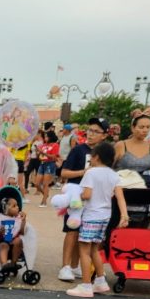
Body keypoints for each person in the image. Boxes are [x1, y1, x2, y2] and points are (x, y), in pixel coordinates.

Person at [66, 142, 128, 298]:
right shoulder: (114, 175)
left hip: (91, 216)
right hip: (104, 217)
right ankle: (100, 281)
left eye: (91, 157)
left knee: (84, 250)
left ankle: (86, 285)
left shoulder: (91, 173)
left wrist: (73, 197)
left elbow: (87, 195)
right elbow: (120, 197)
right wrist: (124, 215)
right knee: (94, 249)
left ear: (96, 157)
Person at [57, 117, 108, 282]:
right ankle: (65, 267)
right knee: (72, 230)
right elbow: (64, 173)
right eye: (90, 130)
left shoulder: (105, 154)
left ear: (104, 135)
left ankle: (75, 265)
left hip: (95, 199)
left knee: (85, 233)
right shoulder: (78, 150)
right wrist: (84, 172)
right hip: (76, 197)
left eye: (96, 131)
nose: (91, 134)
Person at [0, 195, 28, 270]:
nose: (18, 207)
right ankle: (4, 264)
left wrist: (23, 220)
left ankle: (13, 263)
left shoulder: (17, 219)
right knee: (4, 245)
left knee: (19, 241)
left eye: (17, 205)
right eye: (14, 206)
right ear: (6, 209)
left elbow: (22, 232)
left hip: (12, 241)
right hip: (0, 240)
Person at [36, 129, 60, 207]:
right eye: (45, 136)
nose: (45, 138)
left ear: (50, 137)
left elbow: (54, 157)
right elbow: (40, 157)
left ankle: (44, 201)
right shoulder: (43, 145)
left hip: (50, 164)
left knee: (45, 184)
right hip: (42, 163)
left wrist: (43, 153)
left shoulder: (55, 145)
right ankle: (45, 194)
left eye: (46, 136)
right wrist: (38, 153)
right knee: (37, 184)